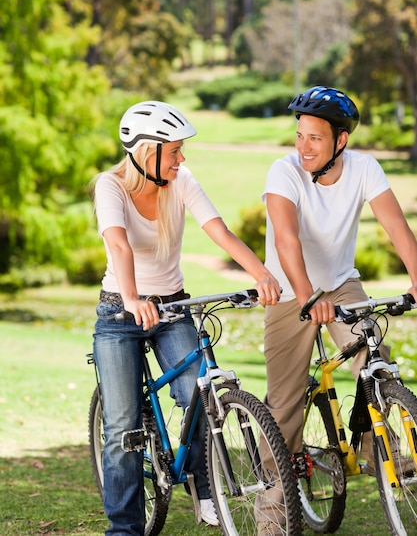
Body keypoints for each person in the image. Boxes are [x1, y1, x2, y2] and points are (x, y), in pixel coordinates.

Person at [91, 100, 281, 536]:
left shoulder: (181, 181)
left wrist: (261, 274)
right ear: (145, 152)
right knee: (123, 426)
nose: (182, 159)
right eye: (174, 151)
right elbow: (118, 247)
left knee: (198, 392)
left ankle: (206, 488)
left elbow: (219, 230)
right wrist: (134, 298)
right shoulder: (110, 186)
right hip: (122, 310)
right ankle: (124, 530)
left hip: (174, 306)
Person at [259, 85, 417, 533]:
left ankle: (372, 446)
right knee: (284, 409)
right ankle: (271, 515)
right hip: (295, 293)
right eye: (300, 135)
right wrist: (309, 296)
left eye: (315, 138)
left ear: (340, 141)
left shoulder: (364, 168)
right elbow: (287, 239)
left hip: (342, 286)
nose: (303, 146)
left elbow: (397, 227)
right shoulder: (283, 172)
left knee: (375, 361)